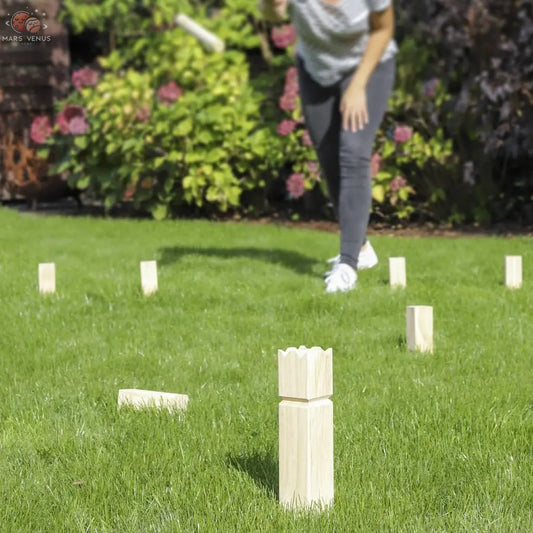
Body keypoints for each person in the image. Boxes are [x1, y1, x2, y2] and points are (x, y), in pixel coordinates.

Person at [260, 0, 397, 293]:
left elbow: (384, 28)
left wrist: (358, 86)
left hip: (368, 67)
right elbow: (273, 14)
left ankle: (347, 265)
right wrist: (272, 5)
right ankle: (361, 249)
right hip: (316, 70)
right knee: (329, 159)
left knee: (354, 152)